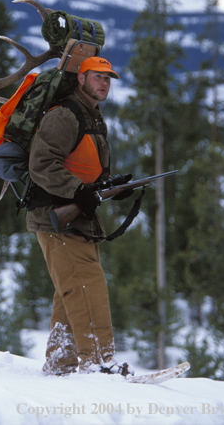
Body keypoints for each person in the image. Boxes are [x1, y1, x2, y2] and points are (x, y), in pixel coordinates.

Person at [26, 56, 134, 376]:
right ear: (81, 79)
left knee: (69, 289)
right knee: (88, 284)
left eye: (108, 78)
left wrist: (112, 189)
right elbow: (42, 165)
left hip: (77, 218)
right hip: (55, 217)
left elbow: (88, 172)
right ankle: (99, 362)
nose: (105, 83)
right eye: (98, 76)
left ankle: (61, 362)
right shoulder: (65, 115)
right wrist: (77, 191)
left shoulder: (94, 118)